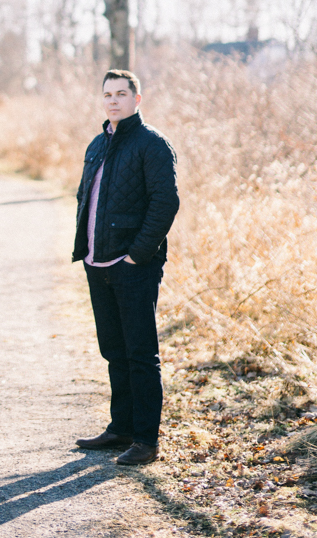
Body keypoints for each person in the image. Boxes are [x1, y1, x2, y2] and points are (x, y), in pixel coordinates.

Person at [73, 69, 179, 466]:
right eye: (107, 94)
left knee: (139, 353)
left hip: (132, 265)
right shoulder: (98, 144)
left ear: (137, 98)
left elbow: (165, 202)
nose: (113, 100)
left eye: (121, 93)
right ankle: (121, 428)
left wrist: (138, 254)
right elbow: (87, 197)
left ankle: (146, 440)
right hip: (97, 263)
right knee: (113, 350)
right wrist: (85, 250)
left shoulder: (152, 144)